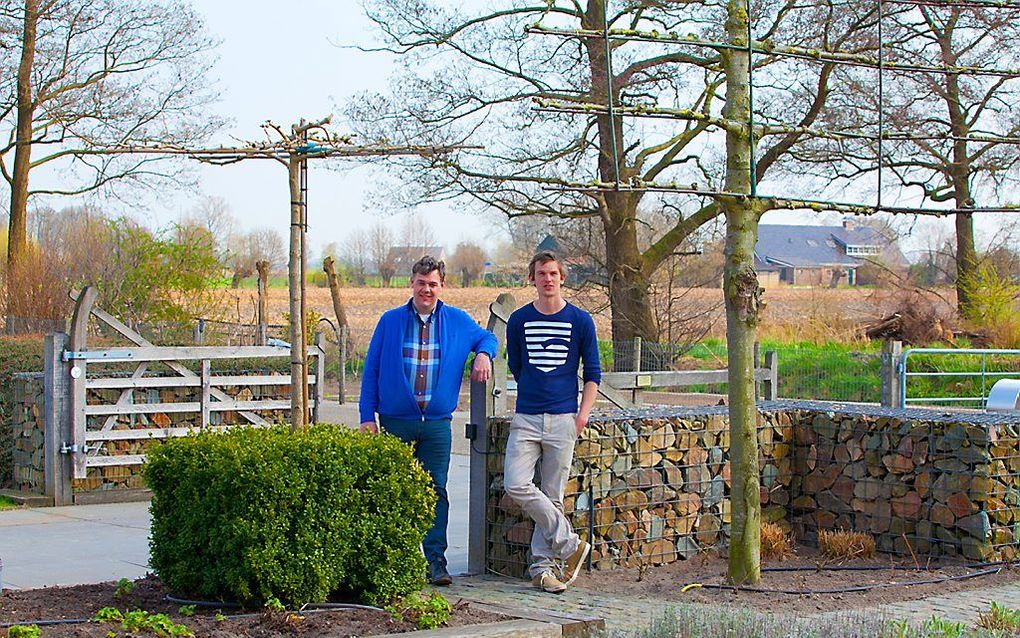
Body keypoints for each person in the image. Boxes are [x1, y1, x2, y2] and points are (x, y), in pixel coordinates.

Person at [359, 255, 497, 586]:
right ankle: (400, 560)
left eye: (433, 283)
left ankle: (435, 560)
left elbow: (487, 338)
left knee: (437, 491)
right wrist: (367, 416)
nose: (427, 289)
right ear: (412, 283)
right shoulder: (390, 321)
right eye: (421, 283)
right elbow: (371, 369)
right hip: (396, 421)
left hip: (436, 425)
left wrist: (482, 354)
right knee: (395, 491)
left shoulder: (456, 320)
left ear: (442, 286)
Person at [504, 251, 601, 593]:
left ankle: (543, 571)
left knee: (553, 495)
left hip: (564, 418)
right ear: (532, 279)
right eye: (541, 273)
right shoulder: (518, 320)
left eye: (553, 273)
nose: (547, 279)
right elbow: (517, 366)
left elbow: (593, 374)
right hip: (527, 416)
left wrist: (582, 414)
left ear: (562, 278)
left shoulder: (581, 321)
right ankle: (571, 546)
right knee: (515, 483)